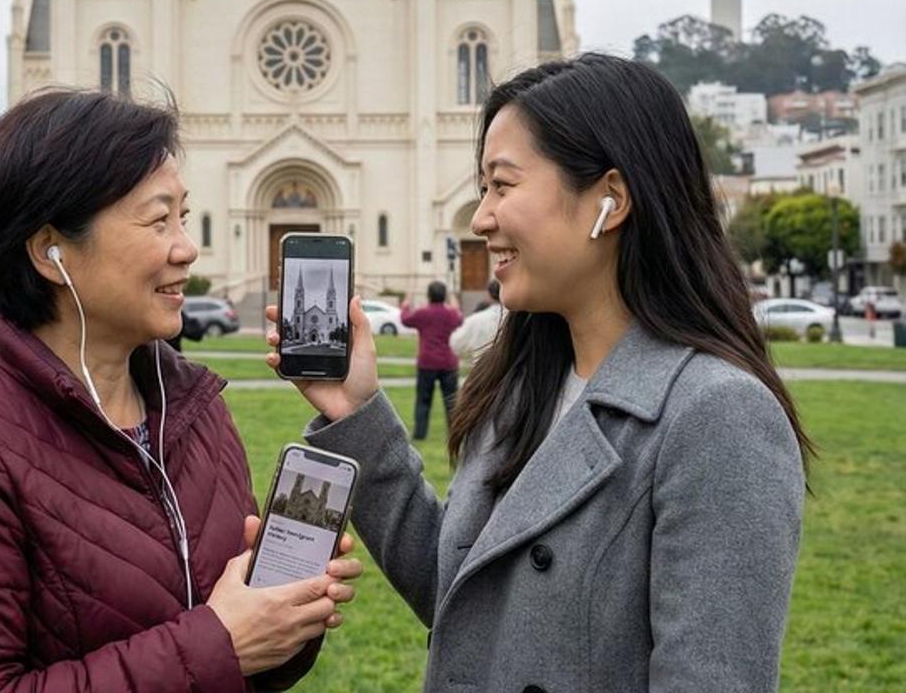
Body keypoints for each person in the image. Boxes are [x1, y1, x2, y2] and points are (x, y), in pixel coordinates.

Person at [267, 54, 810, 691]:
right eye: (482, 188)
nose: (480, 218)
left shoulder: (717, 416)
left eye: (503, 184)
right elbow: (470, 601)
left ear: (610, 199)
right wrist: (354, 410)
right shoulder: (519, 389)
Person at [0, 89, 361, 692]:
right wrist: (218, 643)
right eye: (160, 220)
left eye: (184, 215)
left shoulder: (194, 411)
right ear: (51, 254)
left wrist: (282, 615)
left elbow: (240, 654)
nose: (188, 247)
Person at [400, 281, 463, 440]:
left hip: (427, 362)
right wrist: (454, 301)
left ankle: (420, 434)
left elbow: (405, 319)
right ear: (444, 296)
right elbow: (459, 318)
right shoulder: (451, 314)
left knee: (423, 400)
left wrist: (406, 302)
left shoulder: (423, 313)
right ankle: (454, 433)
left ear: (429, 296)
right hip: (449, 362)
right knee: (451, 401)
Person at [449, 279, 505, 363]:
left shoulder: (475, 319)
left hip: (482, 368)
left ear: (488, 295)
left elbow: (455, 343)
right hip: (510, 371)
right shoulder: (516, 317)